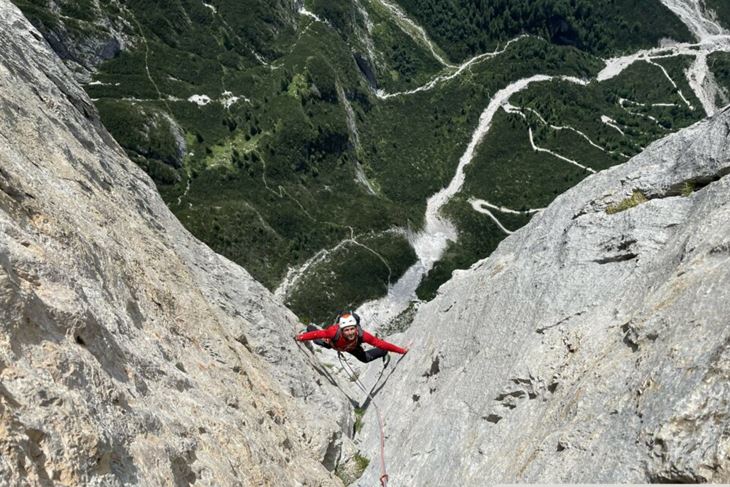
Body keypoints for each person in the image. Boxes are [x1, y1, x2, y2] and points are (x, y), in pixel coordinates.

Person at [295, 312, 408, 363]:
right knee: (317, 340)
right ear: (342, 330)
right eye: (347, 330)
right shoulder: (333, 332)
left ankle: (383, 353)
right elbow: (318, 334)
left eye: (352, 329)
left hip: (352, 347)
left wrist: (401, 351)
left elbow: (380, 343)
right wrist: (301, 337)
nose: (350, 333)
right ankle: (309, 327)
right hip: (333, 343)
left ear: (356, 327)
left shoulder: (361, 335)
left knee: (366, 359)